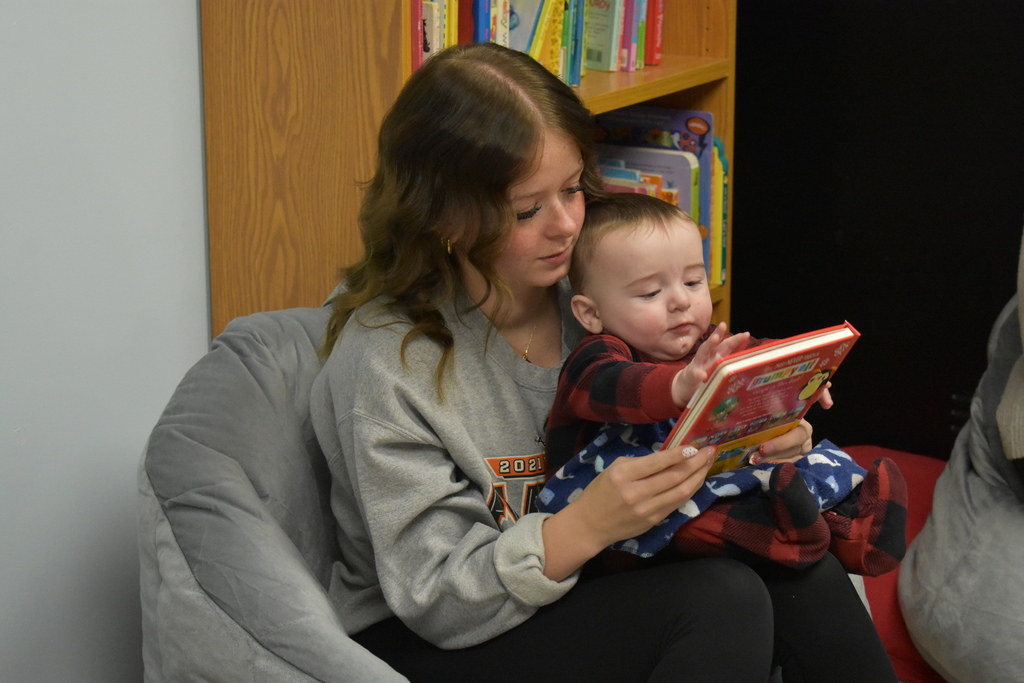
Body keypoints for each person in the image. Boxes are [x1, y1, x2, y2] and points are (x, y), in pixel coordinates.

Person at [311, 42, 898, 682]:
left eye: (573, 189)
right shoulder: (387, 363)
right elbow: (437, 601)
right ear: (444, 215)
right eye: (528, 210)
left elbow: (673, 414)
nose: (567, 225)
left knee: (800, 571)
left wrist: (762, 429)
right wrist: (588, 523)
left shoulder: (596, 291)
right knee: (722, 600)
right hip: (435, 632)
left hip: (586, 575)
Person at [539, 193, 907, 577]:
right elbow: (612, 384)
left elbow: (759, 354)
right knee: (709, 514)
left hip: (707, 480)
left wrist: (804, 373)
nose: (680, 301)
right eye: (650, 292)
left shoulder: (705, 345)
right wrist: (677, 386)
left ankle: (858, 534)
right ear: (591, 313)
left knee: (811, 465)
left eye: (693, 281)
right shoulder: (595, 356)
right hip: (620, 521)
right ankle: (782, 537)